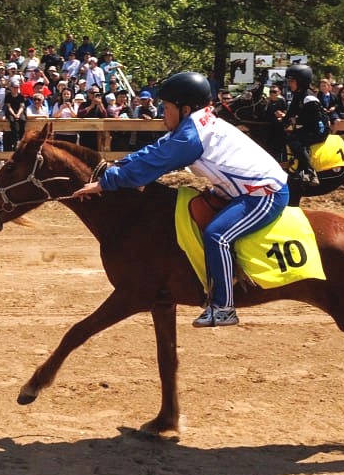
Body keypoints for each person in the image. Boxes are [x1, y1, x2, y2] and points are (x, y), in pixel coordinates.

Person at [72, 71, 288, 328]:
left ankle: (224, 306)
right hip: (237, 189)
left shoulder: (189, 137)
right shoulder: (191, 124)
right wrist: (116, 167)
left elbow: (153, 165)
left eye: (167, 107)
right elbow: (155, 150)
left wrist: (106, 182)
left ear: (185, 108)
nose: (163, 112)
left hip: (264, 193)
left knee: (217, 235)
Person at [282, 63, 330, 187]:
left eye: (292, 81)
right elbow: (290, 113)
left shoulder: (309, 98)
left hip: (319, 130)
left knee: (295, 141)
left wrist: (297, 122)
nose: (289, 84)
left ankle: (310, 172)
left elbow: (315, 122)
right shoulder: (298, 95)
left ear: (301, 81)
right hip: (308, 128)